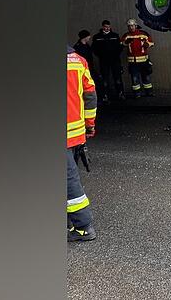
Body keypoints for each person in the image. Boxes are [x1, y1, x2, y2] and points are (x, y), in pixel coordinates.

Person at [66, 45, 97, 241]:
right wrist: (90, 125)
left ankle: (83, 226)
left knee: (68, 179)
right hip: (76, 132)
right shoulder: (79, 60)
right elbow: (90, 95)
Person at [91, 19, 124, 102]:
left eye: (108, 27)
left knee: (117, 78)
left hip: (115, 61)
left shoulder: (115, 35)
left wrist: (115, 55)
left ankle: (120, 94)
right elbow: (94, 49)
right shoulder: (97, 37)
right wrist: (101, 56)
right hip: (104, 61)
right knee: (105, 80)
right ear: (103, 27)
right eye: (105, 27)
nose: (107, 28)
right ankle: (105, 95)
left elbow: (119, 48)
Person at [121, 18, 154, 97]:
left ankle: (149, 92)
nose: (131, 27)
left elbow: (152, 42)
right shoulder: (126, 35)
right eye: (129, 26)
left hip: (144, 61)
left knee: (146, 78)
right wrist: (125, 43)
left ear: (135, 25)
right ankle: (137, 94)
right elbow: (121, 44)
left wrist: (148, 44)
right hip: (133, 62)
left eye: (132, 26)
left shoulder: (144, 33)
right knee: (135, 79)